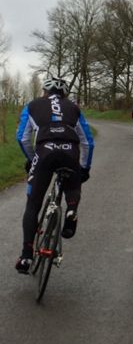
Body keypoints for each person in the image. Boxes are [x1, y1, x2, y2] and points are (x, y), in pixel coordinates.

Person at [15, 77, 94, 273]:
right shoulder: (74, 108)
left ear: (44, 91)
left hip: (45, 153)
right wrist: (85, 168)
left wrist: (31, 159)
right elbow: (87, 142)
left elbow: (22, 138)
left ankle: (26, 256)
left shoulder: (32, 105)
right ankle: (71, 210)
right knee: (73, 184)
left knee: (33, 204)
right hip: (70, 152)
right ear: (64, 94)